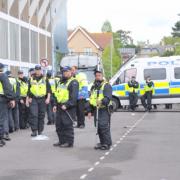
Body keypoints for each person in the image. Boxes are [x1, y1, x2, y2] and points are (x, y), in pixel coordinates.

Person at [53, 66, 79, 148]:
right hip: (60, 106)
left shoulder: (73, 82)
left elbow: (74, 97)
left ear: (71, 72)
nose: (65, 73)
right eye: (63, 72)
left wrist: (67, 105)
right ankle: (62, 141)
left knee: (67, 125)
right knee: (59, 125)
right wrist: (55, 104)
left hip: (68, 107)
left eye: (66, 71)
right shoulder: (61, 82)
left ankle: (69, 142)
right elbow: (57, 94)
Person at [88, 70, 112, 150]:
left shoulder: (106, 85)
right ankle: (102, 142)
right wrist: (89, 111)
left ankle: (107, 143)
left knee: (103, 126)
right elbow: (91, 99)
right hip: (96, 109)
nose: (98, 77)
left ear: (102, 76)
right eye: (96, 75)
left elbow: (108, 97)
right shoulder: (93, 86)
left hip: (104, 109)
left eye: (99, 75)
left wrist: (101, 101)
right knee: (98, 126)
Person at [26, 65, 51, 137]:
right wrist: (27, 100)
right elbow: (28, 91)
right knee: (34, 114)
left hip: (42, 99)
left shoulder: (45, 78)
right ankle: (34, 131)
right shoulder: (31, 79)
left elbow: (49, 90)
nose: (38, 71)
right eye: (36, 70)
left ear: (41, 70)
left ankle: (40, 131)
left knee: (41, 115)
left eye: (39, 70)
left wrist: (48, 98)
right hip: (33, 99)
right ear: (34, 70)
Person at [0, 63, 15, 147]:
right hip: (1, 100)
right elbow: (7, 88)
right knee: (1, 119)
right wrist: (11, 99)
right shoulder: (3, 76)